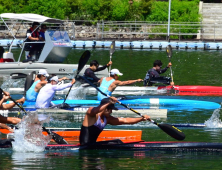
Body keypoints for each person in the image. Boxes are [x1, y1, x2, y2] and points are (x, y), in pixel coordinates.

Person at [79, 97, 150, 145]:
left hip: (93, 145)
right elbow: (97, 110)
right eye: (110, 109)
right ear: (105, 108)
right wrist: (109, 102)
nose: (111, 112)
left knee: (117, 142)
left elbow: (125, 120)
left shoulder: (107, 119)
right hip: (85, 145)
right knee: (117, 142)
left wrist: (141, 119)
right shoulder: (91, 114)